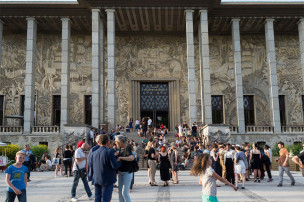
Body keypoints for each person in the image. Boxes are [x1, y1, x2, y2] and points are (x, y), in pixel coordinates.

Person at [91, 134, 121, 202]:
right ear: (107, 142)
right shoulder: (109, 152)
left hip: (97, 178)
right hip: (107, 179)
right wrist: (119, 162)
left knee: (97, 199)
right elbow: (114, 166)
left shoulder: (94, 152)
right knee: (105, 199)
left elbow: (91, 165)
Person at [115, 135, 135, 202]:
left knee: (125, 192)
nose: (115, 143)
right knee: (120, 193)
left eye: (116, 142)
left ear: (119, 142)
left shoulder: (127, 148)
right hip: (120, 172)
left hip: (127, 172)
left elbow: (131, 158)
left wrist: (121, 158)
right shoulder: (120, 149)